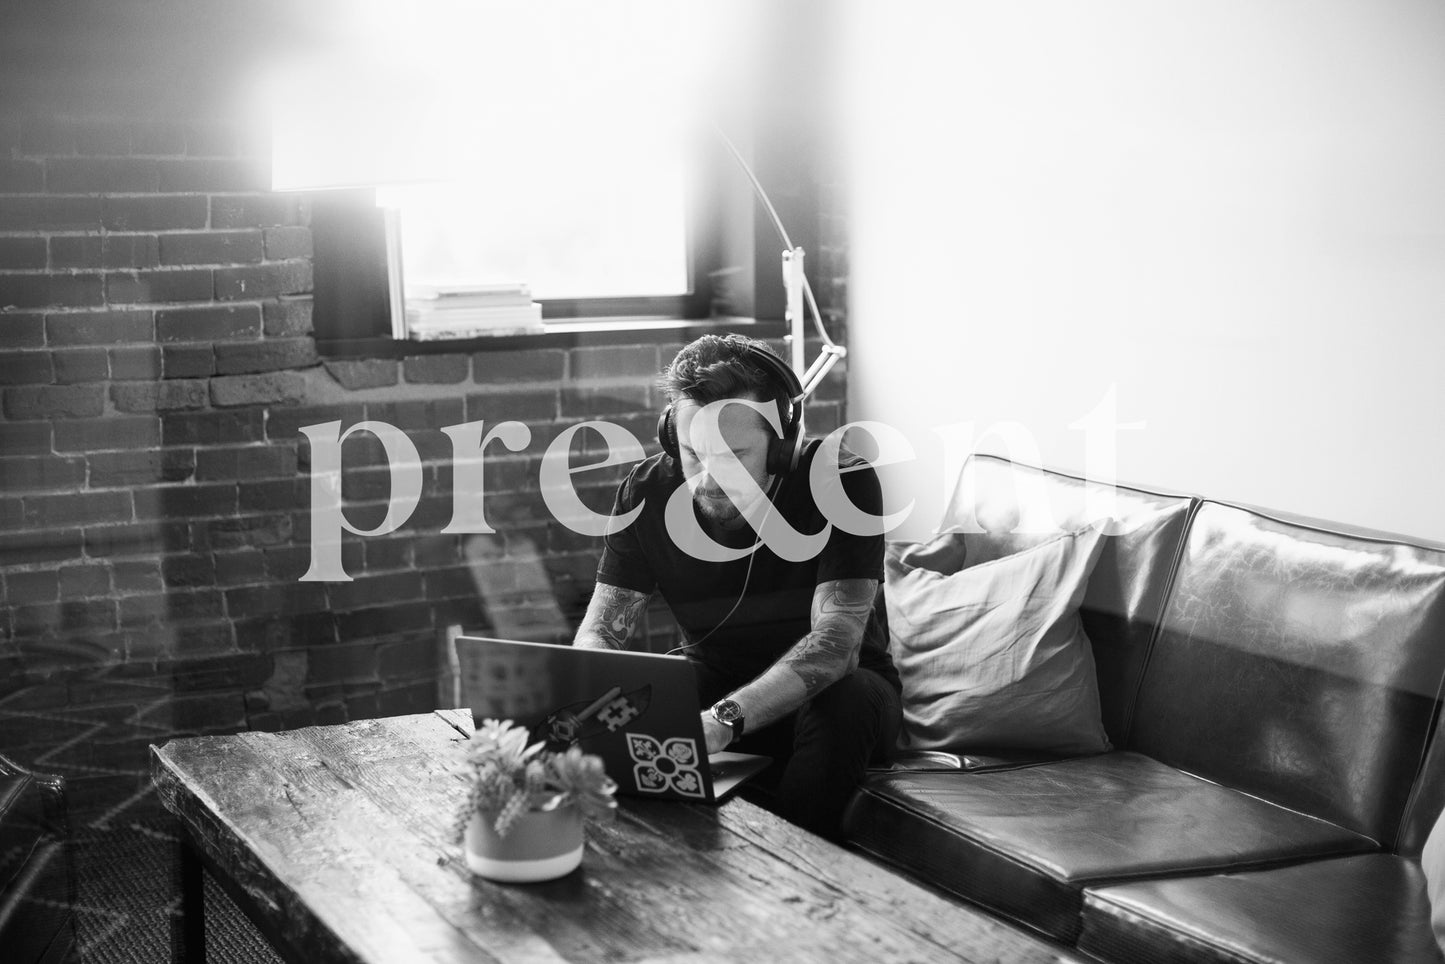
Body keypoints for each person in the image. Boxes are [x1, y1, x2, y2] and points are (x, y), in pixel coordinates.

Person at [573, 333, 902, 839]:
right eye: (693, 455)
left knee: (849, 699)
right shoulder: (646, 490)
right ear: (670, 437)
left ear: (781, 447)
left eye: (733, 455)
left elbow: (838, 645)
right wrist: (596, 683)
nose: (707, 479)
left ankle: (798, 869)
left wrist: (726, 719)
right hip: (712, 682)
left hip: (837, 699)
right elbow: (601, 633)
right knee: (637, 695)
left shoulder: (845, 481)